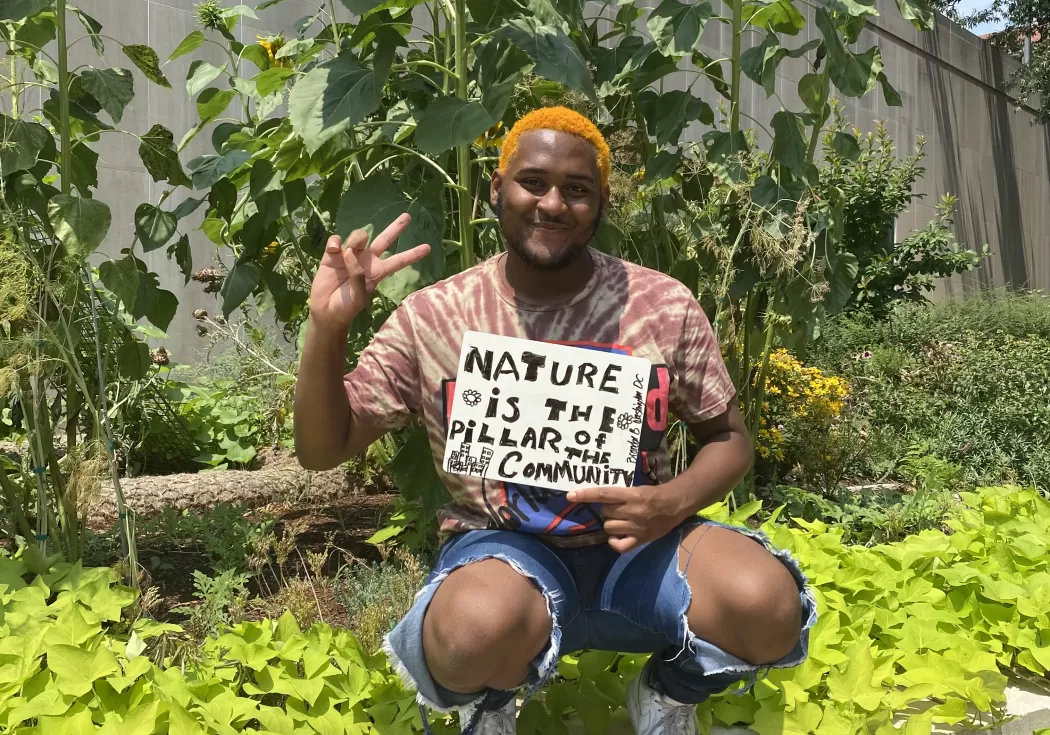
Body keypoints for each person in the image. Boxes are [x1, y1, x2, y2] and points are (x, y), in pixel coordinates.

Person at [295, 106, 816, 735]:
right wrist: (327, 330)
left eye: (577, 190)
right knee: (470, 633)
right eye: (532, 182)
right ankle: (490, 701)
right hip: (504, 548)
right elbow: (325, 448)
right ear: (497, 189)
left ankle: (670, 691)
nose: (552, 203)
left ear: (600, 205)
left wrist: (669, 503)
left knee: (766, 603)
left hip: (642, 548)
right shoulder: (435, 317)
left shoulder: (660, 304)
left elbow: (728, 440)